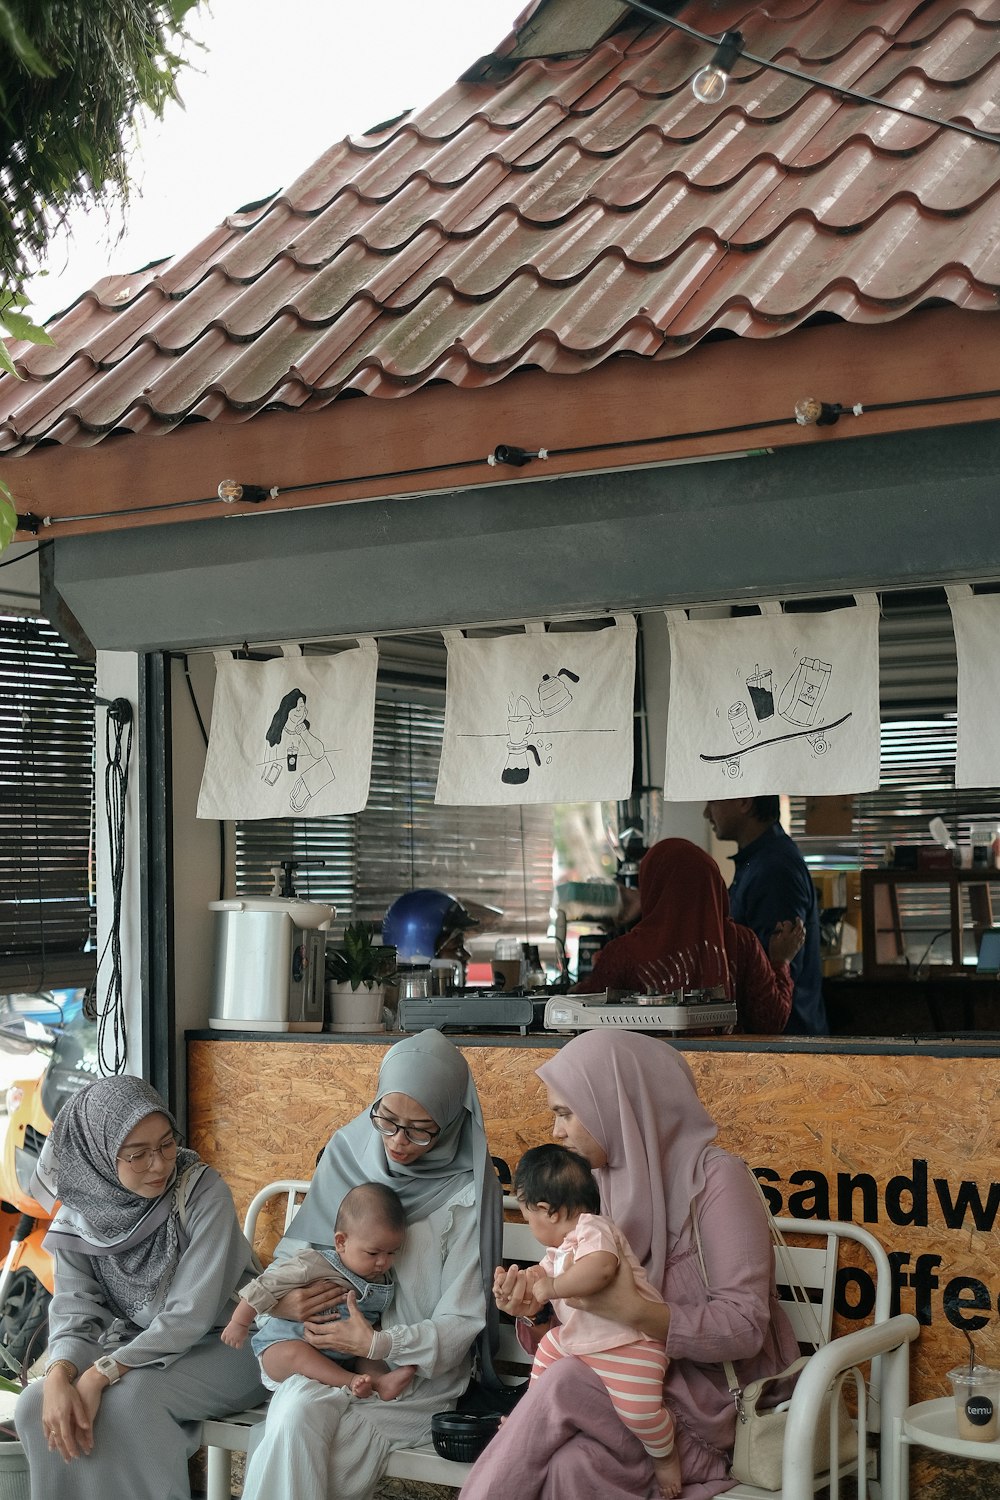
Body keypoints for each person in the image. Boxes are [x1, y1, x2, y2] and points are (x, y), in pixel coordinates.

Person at [463, 1031, 801, 1500]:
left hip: (701, 1414)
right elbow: (584, 1316)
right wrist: (534, 1305)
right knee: (571, 1467)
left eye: (565, 1112)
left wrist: (637, 1312)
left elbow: (745, 1327)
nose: (556, 1131)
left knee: (561, 1384)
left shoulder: (717, 1180)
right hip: (621, 1399)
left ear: (616, 1104)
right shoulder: (598, 1182)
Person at [241, 1028, 502, 1500]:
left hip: (412, 1378)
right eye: (387, 1120)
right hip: (326, 1360)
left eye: (421, 1128)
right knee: (296, 1410)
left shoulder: (468, 1190)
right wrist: (287, 1306)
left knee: (295, 1445)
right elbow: (289, 1266)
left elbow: (461, 1322)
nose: (398, 1142)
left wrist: (380, 1342)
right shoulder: (348, 1152)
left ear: (450, 1119)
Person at [16, 1075, 266, 1500]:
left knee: (131, 1403)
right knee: (36, 1403)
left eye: (167, 1144)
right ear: (99, 1156)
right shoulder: (81, 1209)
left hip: (234, 1342)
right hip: (141, 1345)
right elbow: (76, 1311)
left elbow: (191, 1313)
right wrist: (61, 1373)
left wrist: (102, 1373)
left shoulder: (202, 1191)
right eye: (137, 1154)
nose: (160, 1164)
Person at [512, 1144, 681, 1500]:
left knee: (640, 1413)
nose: (530, 1226)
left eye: (528, 1219)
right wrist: (528, 1282)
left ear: (547, 1211)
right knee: (546, 1354)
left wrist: (552, 1287)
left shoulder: (595, 1229)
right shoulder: (560, 1247)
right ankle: (527, 1420)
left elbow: (599, 1269)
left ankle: (664, 1454)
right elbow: (546, 1271)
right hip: (580, 1340)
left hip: (630, 1343)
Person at [572, 838, 803, 1033]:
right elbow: (771, 1021)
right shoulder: (741, 942)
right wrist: (781, 962)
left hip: (649, 1080)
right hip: (727, 1078)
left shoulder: (623, 952)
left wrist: (574, 990)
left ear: (651, 887)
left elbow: (586, 1017)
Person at [222, 1181, 416, 1402]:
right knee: (294, 1353)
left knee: (370, 1353)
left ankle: (379, 1381)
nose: (383, 1262)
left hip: (342, 1356)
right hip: (287, 1347)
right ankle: (351, 1381)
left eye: (392, 1252)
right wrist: (239, 1322)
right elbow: (265, 1285)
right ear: (341, 1242)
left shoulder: (381, 1282)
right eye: (373, 1253)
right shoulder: (314, 1264)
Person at [703, 796, 826, 1035]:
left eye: (713, 802)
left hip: (785, 1042)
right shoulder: (759, 860)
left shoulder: (773, 869)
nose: (707, 813)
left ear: (744, 802)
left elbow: (772, 975)